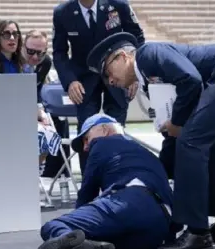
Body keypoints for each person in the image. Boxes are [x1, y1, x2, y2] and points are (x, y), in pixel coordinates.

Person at [86, 32, 215, 249]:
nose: (111, 81)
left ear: (123, 57)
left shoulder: (148, 54)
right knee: (210, 144)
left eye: (108, 72)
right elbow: (175, 123)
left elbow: (190, 80)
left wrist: (178, 123)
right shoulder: (147, 78)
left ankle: (198, 231)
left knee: (191, 143)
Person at [39, 113, 173, 249]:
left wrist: (80, 225)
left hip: (128, 202)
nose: (85, 147)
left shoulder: (102, 143)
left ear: (104, 129)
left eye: (86, 138)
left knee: (54, 227)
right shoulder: (148, 155)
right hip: (161, 221)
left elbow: (86, 194)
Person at [52, 0, 145, 173]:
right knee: (87, 131)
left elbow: (137, 38)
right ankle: (90, 184)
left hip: (120, 75)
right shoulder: (62, 12)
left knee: (117, 129)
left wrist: (134, 75)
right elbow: (59, 52)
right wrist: (70, 81)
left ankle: (118, 177)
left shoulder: (118, 5)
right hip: (83, 80)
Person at [22, 30, 70, 178]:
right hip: (14, 108)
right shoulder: (13, 62)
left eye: (40, 53)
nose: (35, 57)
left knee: (57, 120)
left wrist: (40, 110)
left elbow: (37, 89)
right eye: (30, 52)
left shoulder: (46, 62)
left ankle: (55, 170)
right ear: (22, 47)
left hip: (31, 103)